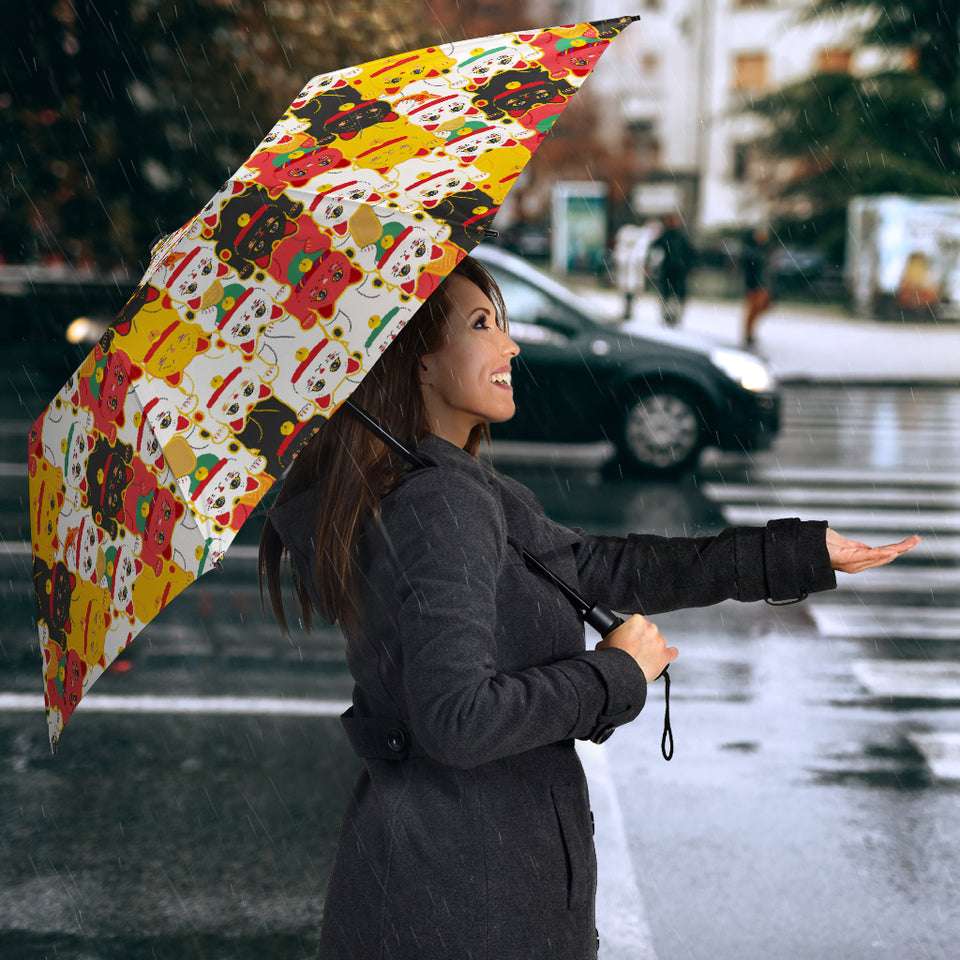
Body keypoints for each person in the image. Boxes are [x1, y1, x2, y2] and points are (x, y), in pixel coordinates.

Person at [259, 255, 919, 960]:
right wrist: (613, 674)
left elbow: (603, 568)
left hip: (454, 883)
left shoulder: (452, 489)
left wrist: (795, 553)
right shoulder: (439, 504)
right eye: (483, 325)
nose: (510, 345)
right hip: (466, 902)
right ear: (418, 362)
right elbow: (456, 719)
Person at [648, 213, 695, 327]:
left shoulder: (681, 237)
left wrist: (690, 267)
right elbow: (654, 249)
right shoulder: (665, 236)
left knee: (677, 295)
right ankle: (667, 315)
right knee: (667, 294)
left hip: (679, 271)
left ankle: (675, 316)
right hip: (668, 270)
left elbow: (690, 253)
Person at [741, 226, 772, 347]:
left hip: (763, 283)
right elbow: (750, 265)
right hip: (754, 284)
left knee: (762, 306)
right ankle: (748, 333)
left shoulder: (763, 249)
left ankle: (750, 331)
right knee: (754, 308)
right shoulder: (750, 250)